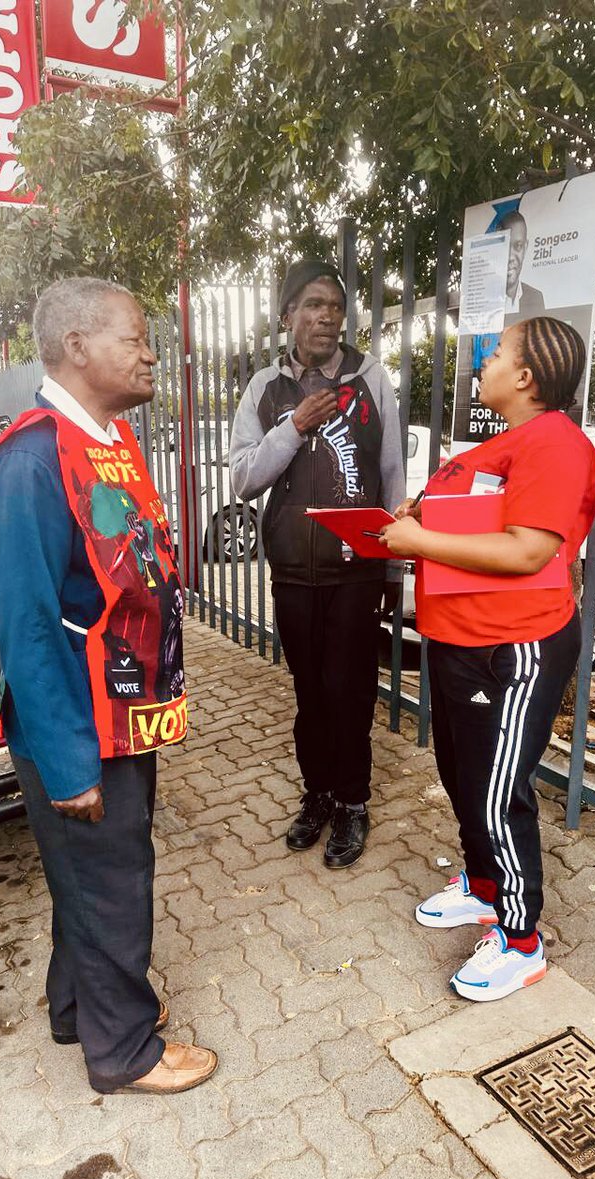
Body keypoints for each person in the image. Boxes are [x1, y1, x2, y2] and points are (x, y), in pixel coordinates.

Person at [0, 277, 217, 1093]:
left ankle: (75, 1009)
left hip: (120, 710)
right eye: (134, 335)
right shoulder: (31, 458)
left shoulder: (105, 439)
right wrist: (68, 762)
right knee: (116, 881)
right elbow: (27, 627)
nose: (150, 351)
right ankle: (124, 1053)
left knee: (82, 873)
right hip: (78, 724)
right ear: (77, 347)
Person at [381, 317, 595, 1001]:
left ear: (528, 376)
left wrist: (419, 536)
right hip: (459, 638)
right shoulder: (506, 444)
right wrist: (415, 517)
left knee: (498, 790)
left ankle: (519, 937)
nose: (485, 359)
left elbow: (529, 550)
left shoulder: (556, 445)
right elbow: (469, 523)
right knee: (462, 773)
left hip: (513, 646)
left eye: (497, 352)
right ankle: (483, 887)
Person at [230, 259, 405, 867]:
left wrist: (390, 569)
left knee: (350, 691)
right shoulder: (265, 389)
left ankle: (354, 801)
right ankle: (320, 794)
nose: (326, 315)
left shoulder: (370, 378)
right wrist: (293, 428)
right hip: (294, 574)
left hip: (356, 569)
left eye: (335, 305)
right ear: (287, 317)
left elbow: (391, 477)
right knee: (310, 692)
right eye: (312, 304)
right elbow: (243, 479)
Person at [499, 211, 545, 317]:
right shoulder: (486, 300)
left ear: (525, 247)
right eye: (505, 246)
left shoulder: (536, 298)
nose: (510, 257)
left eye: (518, 246)